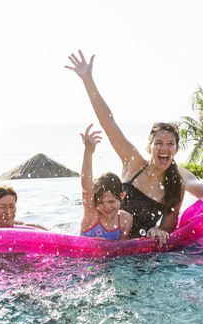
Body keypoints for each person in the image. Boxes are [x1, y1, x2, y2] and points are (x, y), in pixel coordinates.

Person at [65, 50, 184, 242]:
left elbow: (168, 229)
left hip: (137, 252)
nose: (164, 148)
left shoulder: (175, 186)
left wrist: (157, 231)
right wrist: (88, 79)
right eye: (158, 143)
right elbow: (108, 122)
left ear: (176, 150)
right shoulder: (133, 162)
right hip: (104, 240)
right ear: (149, 147)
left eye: (170, 144)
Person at [79, 124, 133, 240]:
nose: (106, 207)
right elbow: (86, 188)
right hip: (85, 257)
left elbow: (124, 248)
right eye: (101, 202)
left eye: (111, 201)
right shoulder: (91, 214)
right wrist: (88, 152)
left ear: (122, 196)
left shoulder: (125, 219)